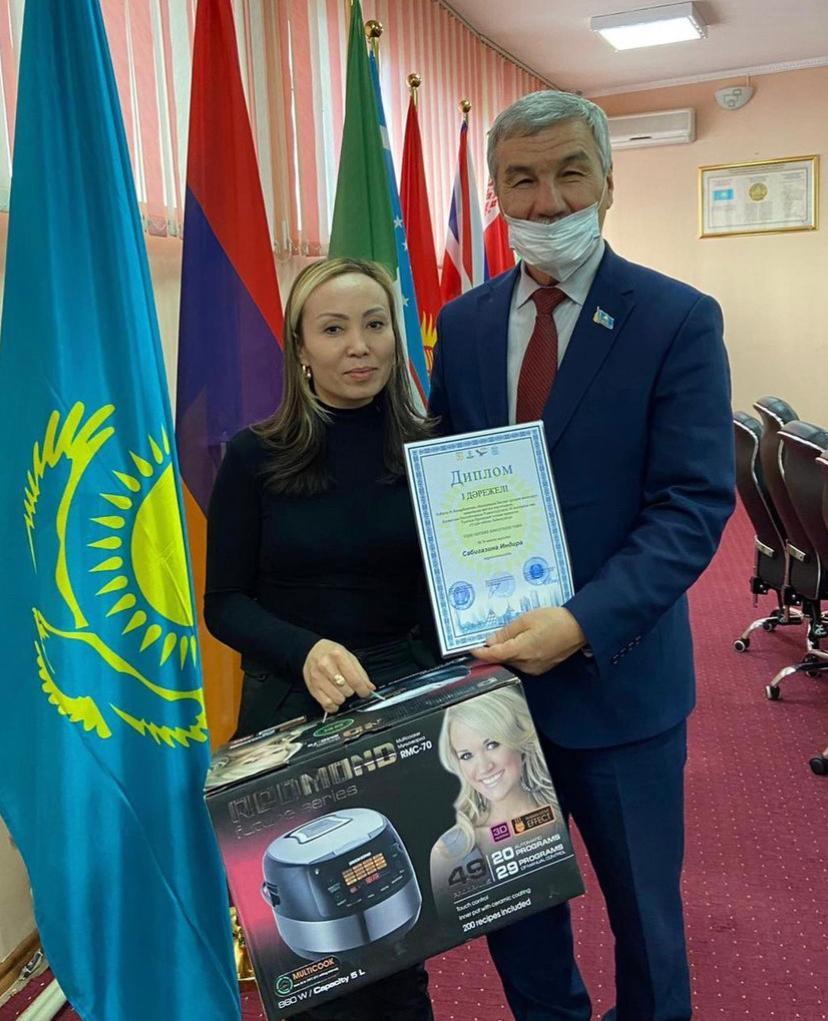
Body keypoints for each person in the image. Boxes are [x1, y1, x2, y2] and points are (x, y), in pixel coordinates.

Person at [429, 90, 735, 1021]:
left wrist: (581, 622)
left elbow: (693, 503)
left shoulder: (676, 318)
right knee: (518, 914)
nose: (549, 200)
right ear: (495, 192)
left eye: (571, 172)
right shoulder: (464, 323)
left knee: (646, 919)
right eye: (522, 179)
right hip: (493, 702)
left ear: (608, 179)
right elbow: (443, 479)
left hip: (620, 684)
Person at [205, 257, 437, 1021]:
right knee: (314, 971)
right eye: (333, 329)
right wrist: (304, 648)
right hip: (290, 712)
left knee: (400, 945)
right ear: (301, 349)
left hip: (400, 709)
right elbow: (224, 604)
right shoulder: (253, 456)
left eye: (375, 324)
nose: (358, 345)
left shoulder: (435, 448)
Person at [430, 687, 559, 895]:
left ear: (518, 740)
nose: (483, 767)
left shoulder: (559, 811)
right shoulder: (448, 850)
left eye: (492, 745)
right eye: (466, 755)